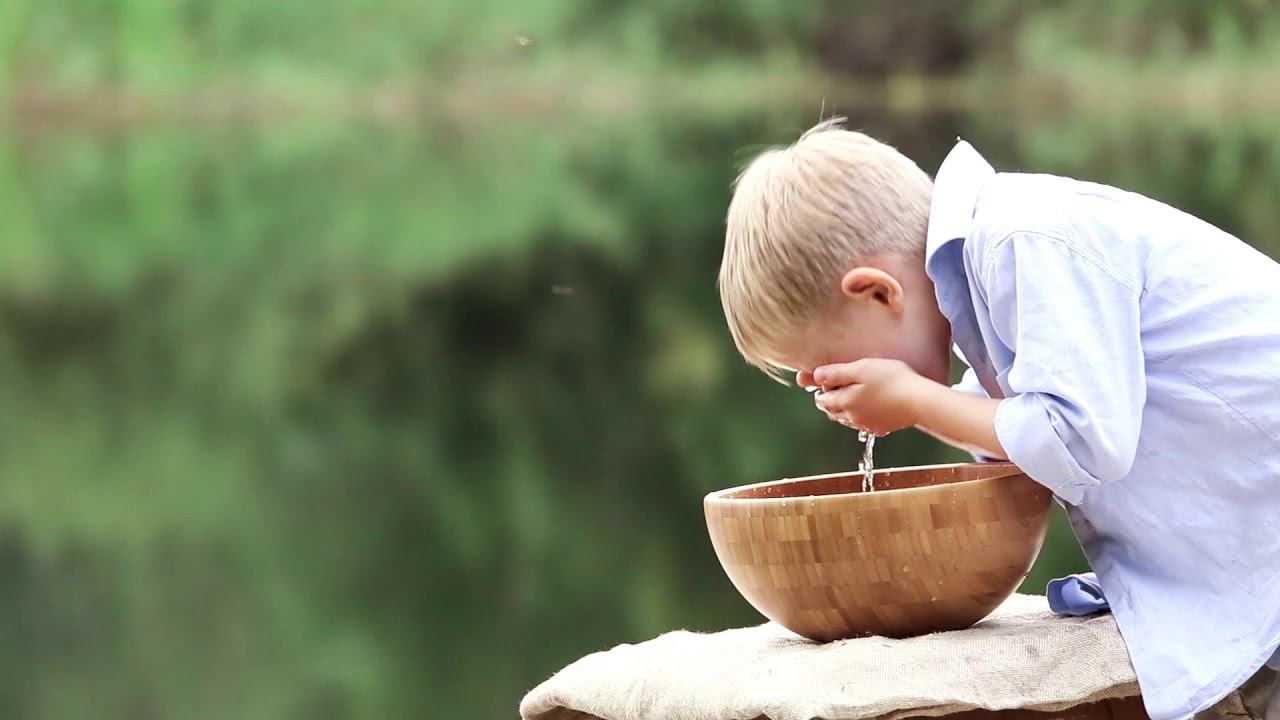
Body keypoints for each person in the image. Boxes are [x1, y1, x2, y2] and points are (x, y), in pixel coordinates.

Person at [716, 118, 1280, 720]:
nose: (832, 386)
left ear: (878, 293)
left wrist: (913, 399)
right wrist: (919, 403)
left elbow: (1081, 440)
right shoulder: (993, 281)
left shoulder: (1024, 239)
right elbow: (1029, 434)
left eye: (832, 365)